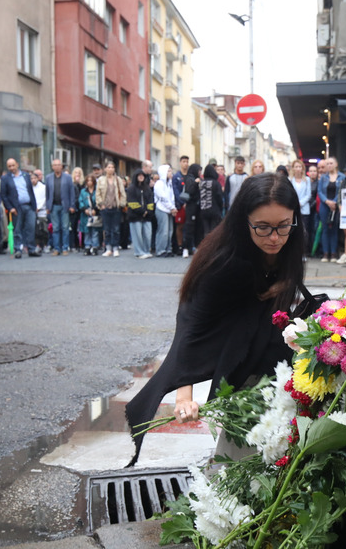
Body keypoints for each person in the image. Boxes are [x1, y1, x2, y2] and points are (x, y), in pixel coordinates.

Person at [124, 171, 305, 466]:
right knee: (244, 444)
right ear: (241, 220)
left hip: (273, 347)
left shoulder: (291, 241)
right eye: (262, 227)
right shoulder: (222, 262)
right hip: (239, 355)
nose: (275, 238)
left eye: (283, 226)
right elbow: (192, 327)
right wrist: (184, 397)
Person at [0, 158, 40, 258]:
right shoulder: (5, 179)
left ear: (17, 164)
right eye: (9, 166)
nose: (11, 168)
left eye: (13, 165)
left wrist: (34, 206)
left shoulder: (26, 176)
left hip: (29, 206)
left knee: (31, 228)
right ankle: (18, 249)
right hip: (16, 208)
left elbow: (31, 191)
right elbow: (3, 195)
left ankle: (31, 249)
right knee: (17, 229)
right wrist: (10, 208)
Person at [45, 158, 76, 256]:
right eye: (55, 165)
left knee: (65, 227)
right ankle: (56, 248)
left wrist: (72, 205)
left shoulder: (67, 177)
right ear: (52, 167)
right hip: (53, 206)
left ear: (61, 166)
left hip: (65, 206)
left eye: (58, 165)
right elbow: (47, 193)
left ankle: (65, 248)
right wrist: (47, 206)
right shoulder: (48, 177)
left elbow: (72, 192)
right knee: (55, 228)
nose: (57, 167)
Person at [96, 159, 126, 257]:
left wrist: (121, 204)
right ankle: (108, 247)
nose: (110, 169)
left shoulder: (118, 180)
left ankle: (115, 247)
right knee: (107, 229)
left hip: (115, 207)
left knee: (116, 229)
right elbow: (98, 194)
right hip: (105, 207)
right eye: (108, 167)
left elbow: (122, 193)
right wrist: (101, 204)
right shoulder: (101, 180)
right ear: (105, 169)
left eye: (112, 167)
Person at [317, 157, 342, 262]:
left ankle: (333, 253)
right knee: (325, 229)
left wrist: (334, 202)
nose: (329, 165)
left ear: (336, 164)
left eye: (331, 163)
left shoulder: (342, 177)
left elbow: (341, 191)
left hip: (336, 206)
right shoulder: (323, 178)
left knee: (334, 229)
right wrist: (327, 201)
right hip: (324, 205)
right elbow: (319, 191)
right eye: (327, 164)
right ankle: (325, 254)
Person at [126, 170, 155, 258]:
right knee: (137, 235)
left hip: (147, 216)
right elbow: (131, 202)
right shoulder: (131, 188)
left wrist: (148, 211)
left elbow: (150, 201)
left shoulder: (147, 188)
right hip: (135, 216)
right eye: (139, 175)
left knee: (148, 234)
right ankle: (139, 252)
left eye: (143, 175)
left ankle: (146, 250)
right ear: (136, 177)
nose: (141, 177)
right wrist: (142, 211)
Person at [289, 159, 313, 258]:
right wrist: (295, 203)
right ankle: (294, 253)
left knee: (304, 232)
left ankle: (304, 253)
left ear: (302, 168)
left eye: (300, 167)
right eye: (296, 167)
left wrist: (300, 203)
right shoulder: (289, 179)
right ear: (293, 168)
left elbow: (308, 195)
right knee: (293, 231)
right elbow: (289, 193)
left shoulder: (307, 180)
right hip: (293, 209)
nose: (298, 169)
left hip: (304, 209)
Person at [181, 163, 203, 257]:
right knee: (189, 227)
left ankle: (195, 248)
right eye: (199, 170)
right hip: (191, 206)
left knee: (198, 227)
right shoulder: (189, 178)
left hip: (198, 206)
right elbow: (189, 190)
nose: (200, 173)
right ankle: (185, 248)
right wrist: (195, 182)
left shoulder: (197, 178)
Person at [154, 164, 176, 257]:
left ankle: (168, 248)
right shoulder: (159, 184)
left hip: (169, 210)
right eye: (169, 171)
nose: (171, 173)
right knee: (163, 231)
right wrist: (172, 207)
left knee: (170, 230)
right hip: (162, 209)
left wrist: (173, 207)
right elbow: (163, 198)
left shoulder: (169, 183)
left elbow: (172, 197)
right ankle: (160, 250)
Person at [198, 164, 224, 240]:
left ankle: (206, 246)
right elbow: (219, 197)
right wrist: (220, 208)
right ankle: (212, 248)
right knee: (213, 231)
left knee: (206, 231)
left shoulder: (201, 183)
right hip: (214, 210)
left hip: (203, 210)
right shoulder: (216, 183)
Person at [78, 174, 102, 255]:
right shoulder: (83, 191)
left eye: (91, 180)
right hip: (86, 213)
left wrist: (96, 209)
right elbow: (80, 201)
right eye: (88, 180)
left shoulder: (97, 191)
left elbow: (99, 200)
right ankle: (87, 246)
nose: (89, 182)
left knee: (95, 231)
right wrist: (84, 209)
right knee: (86, 231)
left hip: (95, 213)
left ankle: (95, 246)